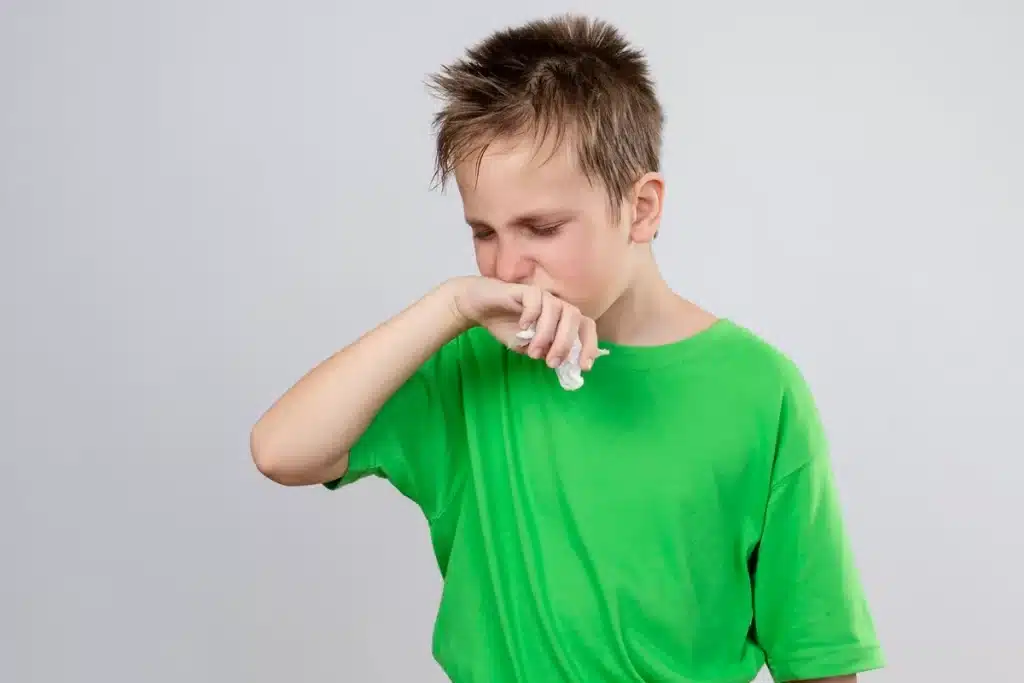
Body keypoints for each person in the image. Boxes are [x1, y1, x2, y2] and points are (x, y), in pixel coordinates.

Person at [250, 13, 885, 683]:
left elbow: (818, 659)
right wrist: (452, 304)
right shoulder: (470, 365)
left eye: (542, 228)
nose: (508, 267)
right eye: (483, 232)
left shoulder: (761, 388)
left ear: (640, 209)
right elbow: (280, 449)